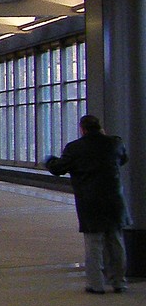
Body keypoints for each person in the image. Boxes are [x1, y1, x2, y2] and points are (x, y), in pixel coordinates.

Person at [45, 114, 129, 294]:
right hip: (114, 200)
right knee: (116, 241)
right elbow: (122, 159)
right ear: (99, 127)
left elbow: (58, 168)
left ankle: (96, 284)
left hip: (90, 201)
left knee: (94, 243)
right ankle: (119, 282)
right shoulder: (115, 143)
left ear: (82, 129)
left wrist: (49, 161)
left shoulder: (75, 148)